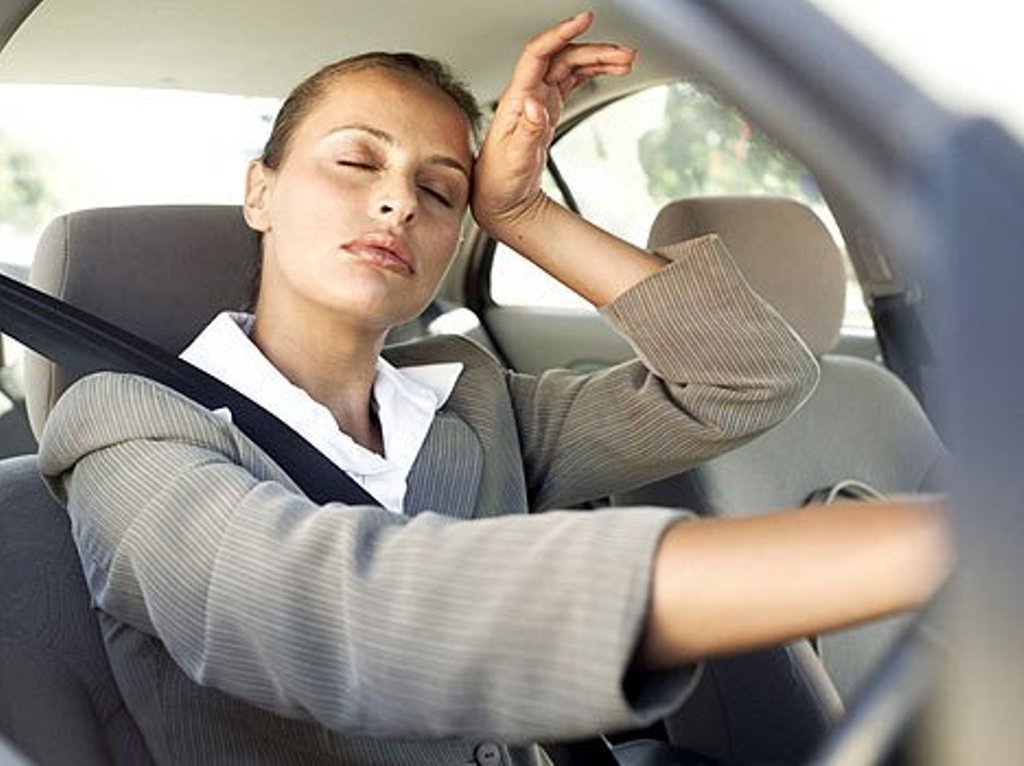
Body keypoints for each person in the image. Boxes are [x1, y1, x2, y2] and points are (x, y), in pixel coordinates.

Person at [37, 11, 951, 766]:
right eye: (356, 163)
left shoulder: (475, 401)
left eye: (441, 192)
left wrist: (523, 213)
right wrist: (915, 546)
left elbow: (751, 378)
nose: (399, 202)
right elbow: (328, 616)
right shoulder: (126, 425)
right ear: (260, 194)